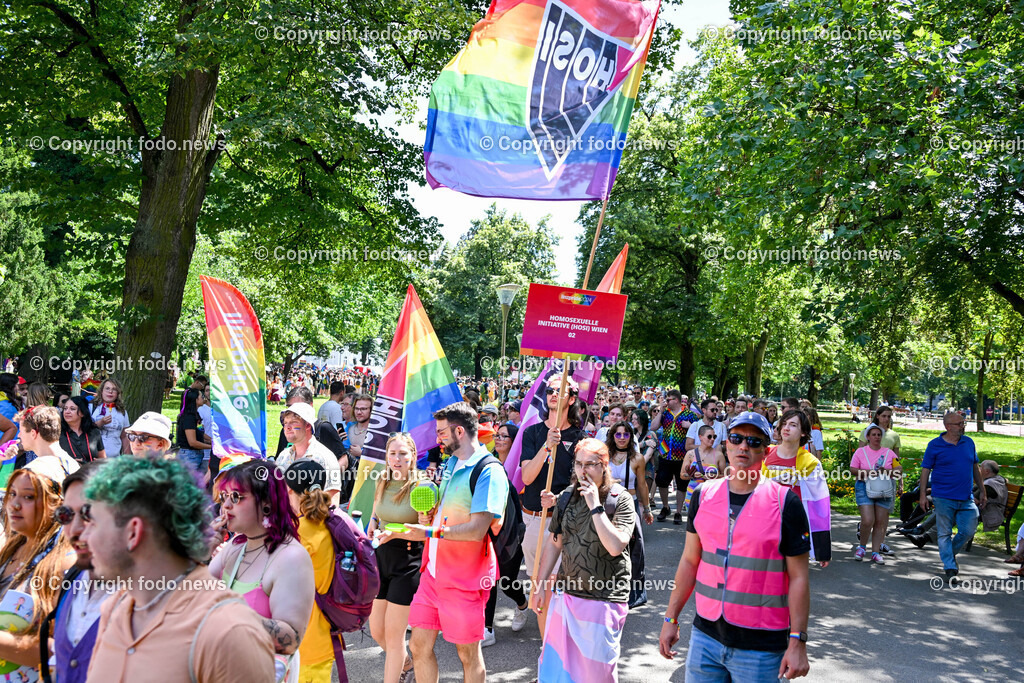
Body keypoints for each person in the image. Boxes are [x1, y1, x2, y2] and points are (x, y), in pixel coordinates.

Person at [82, 456, 275, 682]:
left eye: (93, 523)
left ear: (133, 532)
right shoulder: (115, 607)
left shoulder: (229, 632)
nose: (84, 537)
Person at [658, 411, 811, 681]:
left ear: (766, 450)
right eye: (737, 438)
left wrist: (798, 641)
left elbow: (799, 577)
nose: (743, 446)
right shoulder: (703, 495)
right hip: (705, 638)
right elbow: (690, 561)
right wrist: (671, 618)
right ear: (726, 443)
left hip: (761, 648)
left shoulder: (785, 502)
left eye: (753, 442)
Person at [397, 402, 509, 683]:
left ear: (459, 431)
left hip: (465, 580)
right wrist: (430, 516)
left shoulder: (489, 471)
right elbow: (447, 514)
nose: (437, 439)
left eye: (442, 433)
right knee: (418, 646)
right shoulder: (451, 463)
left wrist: (429, 533)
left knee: (467, 655)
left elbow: (476, 530)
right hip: (432, 575)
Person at [532, 438, 636, 681]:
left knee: (596, 675)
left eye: (590, 464)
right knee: (561, 672)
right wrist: (540, 584)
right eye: (578, 464)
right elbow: (555, 541)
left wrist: (595, 506)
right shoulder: (567, 496)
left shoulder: (620, 499)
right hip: (568, 597)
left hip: (604, 599)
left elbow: (615, 546)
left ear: (604, 465)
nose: (583, 470)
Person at [208, 459, 315, 682]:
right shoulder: (236, 546)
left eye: (236, 497)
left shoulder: (291, 557)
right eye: (224, 497)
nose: (225, 506)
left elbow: (290, 639)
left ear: (266, 502)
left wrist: (228, 614)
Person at [0, 457, 79, 681]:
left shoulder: (63, 563)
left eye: (28, 497)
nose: (14, 505)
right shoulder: (9, 550)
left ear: (55, 504)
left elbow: (55, 648)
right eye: (12, 494)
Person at [518, 376, 583, 637]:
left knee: (558, 586)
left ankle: (558, 649)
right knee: (539, 586)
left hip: (565, 522)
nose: (553, 394)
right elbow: (527, 477)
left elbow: (584, 484)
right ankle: (547, 652)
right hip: (535, 519)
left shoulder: (580, 438)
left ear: (572, 398)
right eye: (550, 391)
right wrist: (547, 445)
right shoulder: (532, 433)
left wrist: (559, 499)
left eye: (560, 391)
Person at [46, 462, 112, 683]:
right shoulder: (72, 578)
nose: (74, 530)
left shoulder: (152, 600)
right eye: (65, 515)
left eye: (88, 513)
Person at [367, 434, 423, 683]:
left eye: (402, 453)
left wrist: (394, 531)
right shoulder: (382, 479)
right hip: (381, 558)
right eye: (392, 453)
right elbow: (377, 511)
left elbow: (424, 532)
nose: (397, 459)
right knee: (376, 631)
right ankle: (407, 664)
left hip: (408, 561)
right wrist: (373, 522)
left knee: (394, 635)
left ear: (412, 456)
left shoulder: (422, 486)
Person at [282, 460, 338, 683]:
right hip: (327, 636)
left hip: (299, 643)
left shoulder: (295, 533)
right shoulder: (334, 523)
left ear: (288, 491)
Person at [919, 412, 985, 581]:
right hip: (943, 497)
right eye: (959, 424)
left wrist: (982, 490)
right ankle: (950, 567)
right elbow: (925, 470)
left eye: (963, 423)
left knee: (968, 529)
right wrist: (922, 495)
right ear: (948, 426)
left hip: (966, 497)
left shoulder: (968, 442)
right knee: (944, 533)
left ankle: (949, 555)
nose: (963, 426)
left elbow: (975, 467)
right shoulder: (934, 445)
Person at [484, 423, 529, 643]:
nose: (499, 439)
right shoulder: (485, 462)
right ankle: (487, 628)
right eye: (497, 435)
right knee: (488, 578)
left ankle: (522, 603)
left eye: (505, 436)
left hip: (513, 530)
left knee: (507, 582)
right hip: (489, 528)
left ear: (514, 441)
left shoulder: (522, 466)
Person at [605, 422, 653, 608]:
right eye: (618, 434)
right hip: (607, 504)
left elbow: (642, 485)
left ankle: (634, 592)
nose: (622, 438)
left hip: (630, 504)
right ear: (612, 436)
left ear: (631, 437)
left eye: (626, 434)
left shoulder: (637, 458)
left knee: (634, 546)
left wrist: (647, 509)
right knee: (606, 545)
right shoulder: (604, 456)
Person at [850, 424, 901, 564]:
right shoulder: (860, 452)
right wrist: (867, 473)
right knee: (867, 520)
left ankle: (876, 552)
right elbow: (852, 469)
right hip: (864, 486)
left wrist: (887, 471)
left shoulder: (889, 453)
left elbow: (899, 469)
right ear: (868, 437)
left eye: (879, 435)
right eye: (873, 434)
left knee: (880, 522)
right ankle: (861, 547)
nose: (877, 437)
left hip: (884, 489)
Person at [275, 402, 342, 502]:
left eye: (293, 422)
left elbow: (332, 503)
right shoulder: (283, 457)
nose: (287, 427)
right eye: (285, 423)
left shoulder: (325, 457)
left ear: (308, 425)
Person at [652, 390, 700, 525]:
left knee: (681, 485)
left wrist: (690, 426)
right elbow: (654, 427)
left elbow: (699, 433)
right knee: (662, 482)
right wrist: (660, 411)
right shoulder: (665, 413)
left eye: (669, 400)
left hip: (682, 456)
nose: (666, 402)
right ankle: (665, 507)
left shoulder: (690, 415)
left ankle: (678, 512)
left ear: (677, 400)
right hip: (665, 454)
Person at [276, 387, 349, 475]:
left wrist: (324, 478)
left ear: (310, 405)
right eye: (289, 407)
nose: (292, 411)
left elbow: (344, 460)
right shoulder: (286, 431)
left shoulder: (324, 428)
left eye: (298, 407)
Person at [680, 424, 728, 510]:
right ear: (700, 437)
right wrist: (692, 475)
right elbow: (682, 475)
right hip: (693, 496)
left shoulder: (718, 455)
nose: (712, 439)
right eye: (709, 436)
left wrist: (715, 476)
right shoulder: (691, 454)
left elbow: (726, 477)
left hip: (712, 497)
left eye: (714, 436)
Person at [89, 379, 130, 457]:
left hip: (114, 460)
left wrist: (127, 458)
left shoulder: (122, 412)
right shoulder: (91, 407)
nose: (110, 392)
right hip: (93, 459)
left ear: (118, 393)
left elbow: (124, 436)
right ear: (101, 391)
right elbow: (83, 429)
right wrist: (100, 423)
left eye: (114, 389)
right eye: (107, 388)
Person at [59, 397, 106, 463]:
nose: (67, 412)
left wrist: (94, 463)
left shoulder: (94, 432)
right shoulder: (58, 432)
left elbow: (103, 459)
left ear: (82, 413)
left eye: (72, 409)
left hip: (89, 472)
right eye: (65, 408)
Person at [176, 388, 211, 474]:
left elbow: (199, 432)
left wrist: (212, 440)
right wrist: (212, 447)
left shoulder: (195, 415)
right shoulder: (189, 418)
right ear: (195, 400)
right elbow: (192, 442)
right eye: (201, 396)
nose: (203, 397)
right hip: (189, 456)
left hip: (195, 455)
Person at [0, 373, 23, 444]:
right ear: (11, 386)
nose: (18, 388)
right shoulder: (7, 407)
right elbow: (8, 431)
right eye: (17, 385)